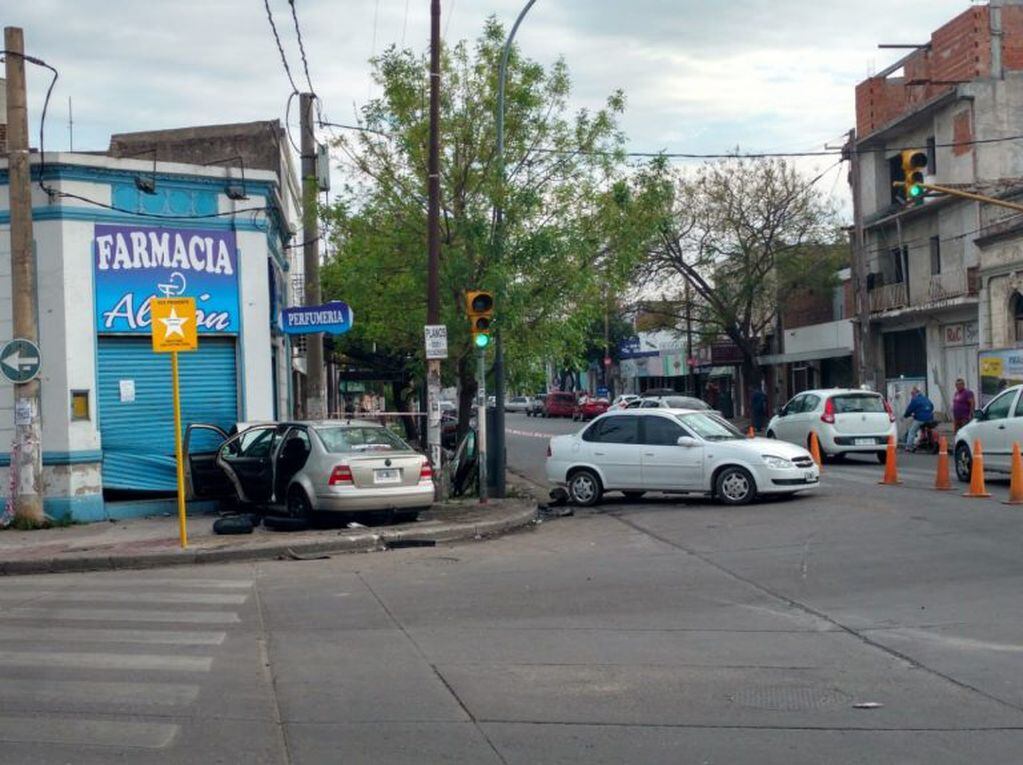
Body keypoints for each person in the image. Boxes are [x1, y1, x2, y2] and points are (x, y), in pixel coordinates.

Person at [902, 386, 935, 451]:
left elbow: (909, 410)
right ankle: (927, 441)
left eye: (912, 394)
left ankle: (908, 447)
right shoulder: (925, 398)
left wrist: (905, 416)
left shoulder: (915, 399)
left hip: (920, 418)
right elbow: (932, 406)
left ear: (915, 393)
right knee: (925, 427)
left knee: (912, 431)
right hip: (930, 418)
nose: (912, 395)